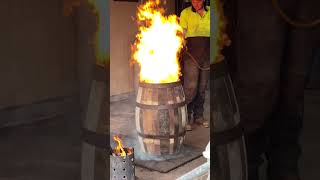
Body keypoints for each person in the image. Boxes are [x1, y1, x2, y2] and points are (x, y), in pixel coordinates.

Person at [179, 0, 210, 131]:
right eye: (193, 1)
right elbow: (182, 33)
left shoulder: (211, 12)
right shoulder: (185, 13)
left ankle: (199, 116)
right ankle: (186, 118)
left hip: (207, 54)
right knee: (190, 88)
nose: (195, 3)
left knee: (202, 88)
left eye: (198, 0)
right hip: (191, 55)